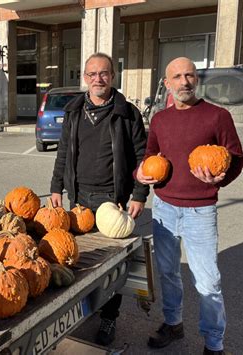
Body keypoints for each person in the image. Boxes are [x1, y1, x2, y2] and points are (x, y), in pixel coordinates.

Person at [136, 57, 243, 355]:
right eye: (177, 77)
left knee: (208, 280)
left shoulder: (217, 116)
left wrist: (222, 177)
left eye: (190, 75)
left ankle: (214, 343)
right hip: (164, 210)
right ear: (167, 83)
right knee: (168, 273)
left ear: (197, 80)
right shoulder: (159, 119)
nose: (184, 82)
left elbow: (235, 157)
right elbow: (149, 156)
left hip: (200, 211)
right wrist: (140, 174)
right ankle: (173, 323)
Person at [50, 52, 149, 346]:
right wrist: (56, 187)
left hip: (113, 200)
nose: (98, 79)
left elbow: (143, 157)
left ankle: (109, 317)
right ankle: (82, 308)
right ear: (84, 78)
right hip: (78, 198)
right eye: (92, 74)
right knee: (77, 259)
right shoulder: (74, 112)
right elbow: (63, 153)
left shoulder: (127, 113)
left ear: (112, 77)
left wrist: (139, 194)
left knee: (112, 266)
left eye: (103, 73)